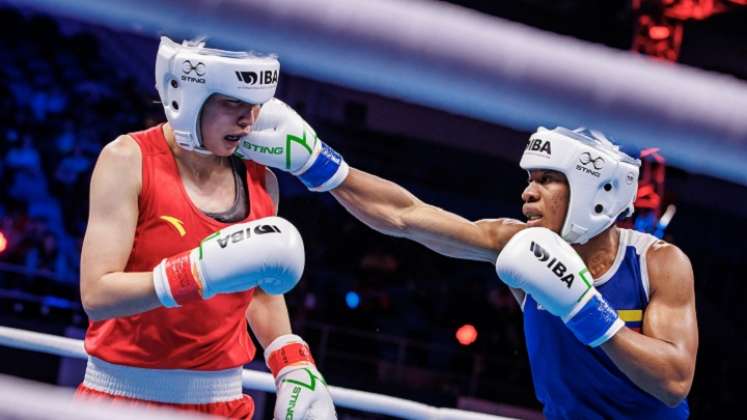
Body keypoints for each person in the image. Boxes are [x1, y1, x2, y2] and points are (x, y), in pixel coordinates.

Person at [237, 99, 698, 419]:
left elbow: (674, 381)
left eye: (547, 180)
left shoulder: (658, 263)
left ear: (595, 192)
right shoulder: (516, 243)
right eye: (529, 178)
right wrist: (318, 163)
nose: (527, 191)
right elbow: (406, 215)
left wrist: (585, 309)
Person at [77, 38, 335, 419]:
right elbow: (97, 293)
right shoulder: (127, 160)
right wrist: (195, 273)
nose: (248, 119)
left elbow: (257, 290)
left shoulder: (262, 181)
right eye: (233, 102)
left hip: (223, 403)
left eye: (255, 104)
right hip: (122, 396)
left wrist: (292, 363)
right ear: (191, 96)